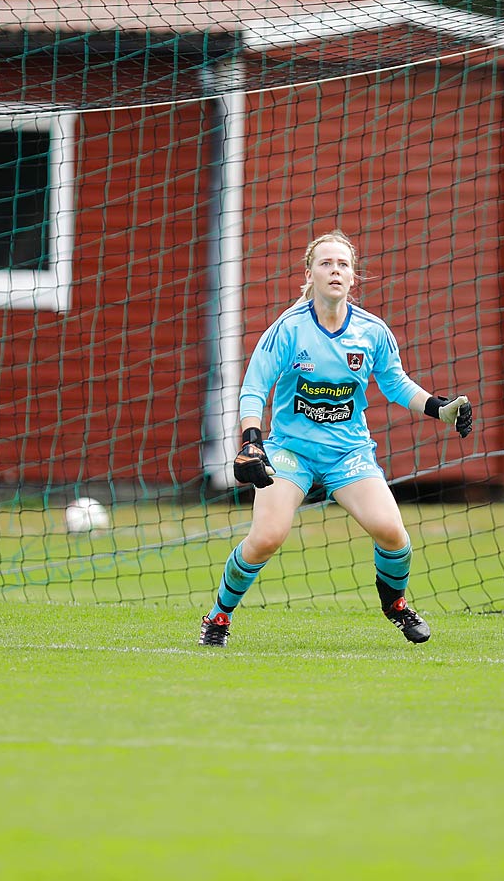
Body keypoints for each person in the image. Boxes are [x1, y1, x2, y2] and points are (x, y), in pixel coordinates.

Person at [199, 230, 472, 648]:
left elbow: (396, 384)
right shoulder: (288, 329)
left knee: (393, 534)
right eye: (326, 263)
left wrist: (441, 408)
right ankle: (218, 615)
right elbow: (254, 387)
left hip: (349, 454)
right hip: (290, 452)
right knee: (267, 537)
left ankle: (395, 605)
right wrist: (251, 441)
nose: (335, 271)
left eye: (343, 264)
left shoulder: (371, 331)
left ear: (353, 276)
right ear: (309, 274)